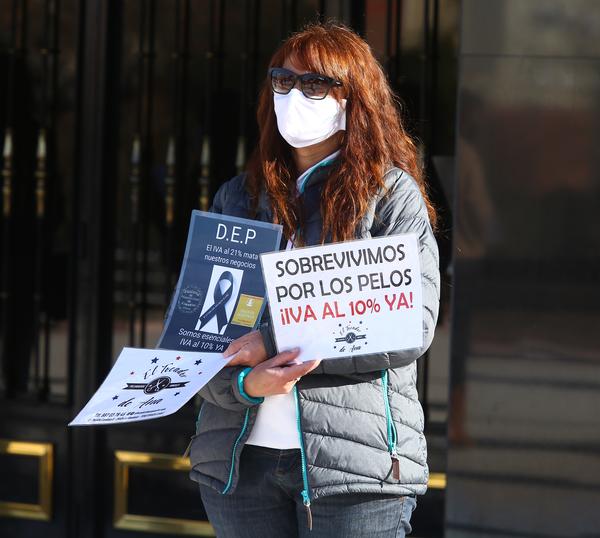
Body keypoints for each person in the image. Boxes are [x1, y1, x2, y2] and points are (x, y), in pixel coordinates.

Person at [188, 22, 440, 538]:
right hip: (239, 468)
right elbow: (200, 335)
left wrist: (273, 340)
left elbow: (408, 323)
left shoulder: (389, 197)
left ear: (354, 99)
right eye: (283, 81)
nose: (294, 96)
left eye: (314, 85)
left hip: (355, 472)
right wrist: (243, 384)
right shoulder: (239, 198)